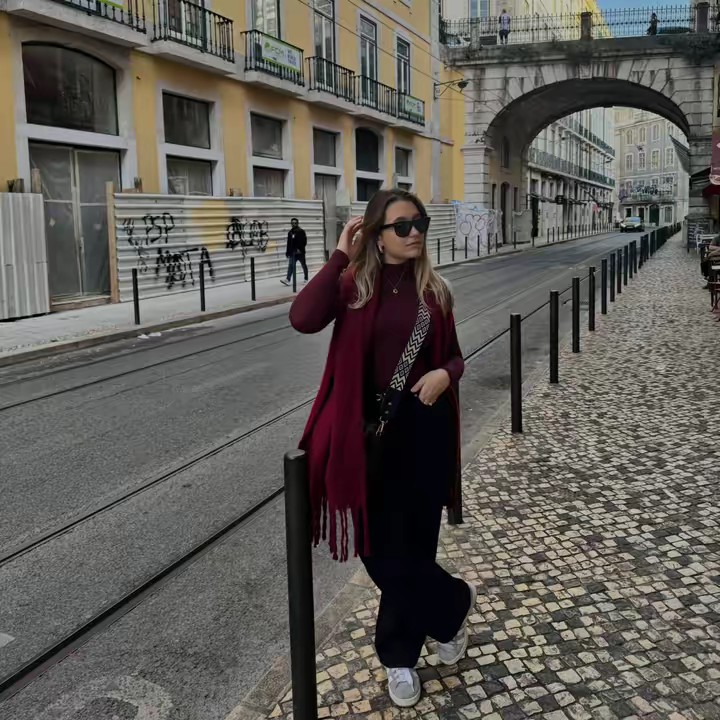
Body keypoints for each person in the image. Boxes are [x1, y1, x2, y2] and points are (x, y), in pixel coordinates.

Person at [289, 189, 475, 709]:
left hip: (424, 433)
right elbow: (303, 317)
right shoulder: (353, 287)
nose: (415, 233)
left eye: (420, 223)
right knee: (379, 553)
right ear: (376, 235)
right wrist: (338, 255)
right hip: (366, 437)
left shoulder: (435, 291)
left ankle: (399, 658)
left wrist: (444, 374)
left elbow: (455, 357)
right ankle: (452, 606)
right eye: (402, 226)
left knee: (415, 548)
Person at [281, 217, 308, 286]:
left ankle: (306, 279)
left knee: (303, 265)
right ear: (291, 224)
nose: (294, 224)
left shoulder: (301, 231)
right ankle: (288, 280)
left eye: (295, 223)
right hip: (293, 253)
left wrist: (300, 249)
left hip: (300, 253)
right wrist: (287, 252)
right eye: (292, 223)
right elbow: (289, 243)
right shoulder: (290, 232)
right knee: (291, 266)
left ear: (297, 223)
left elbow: (304, 242)